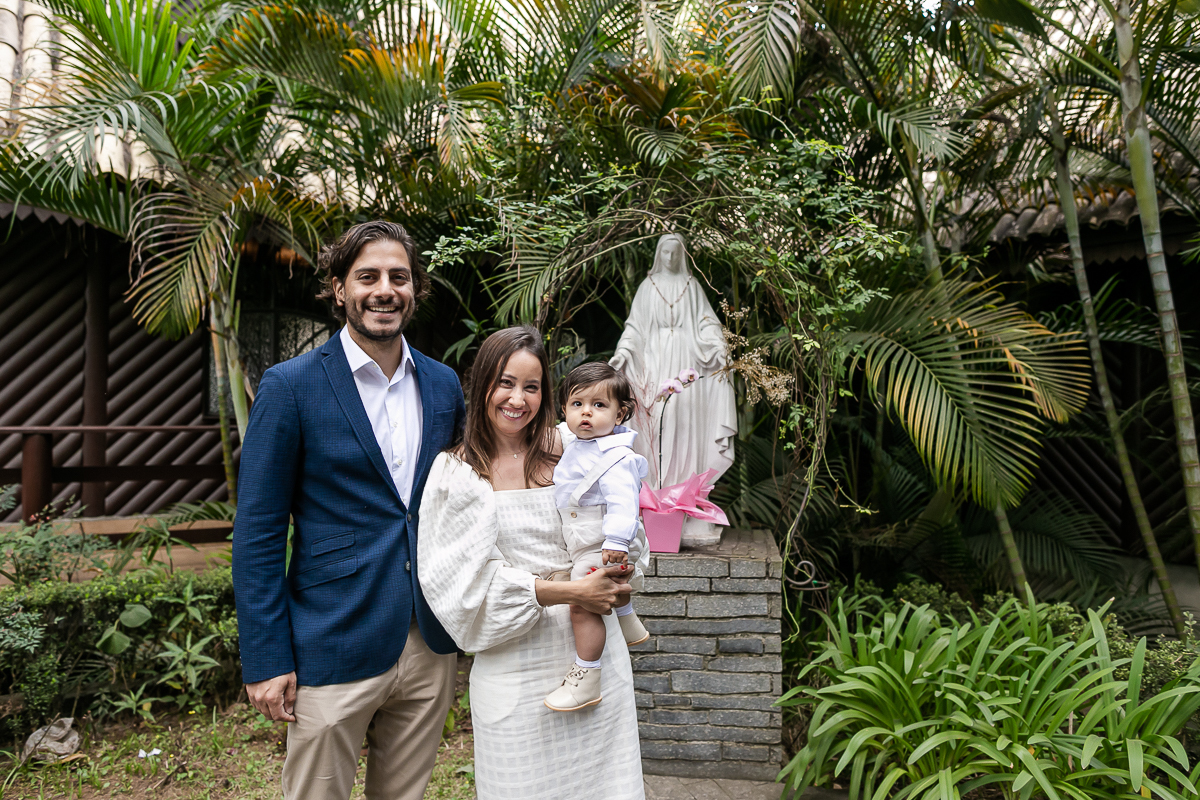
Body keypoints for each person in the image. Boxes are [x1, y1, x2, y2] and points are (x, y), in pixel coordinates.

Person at [232, 221, 465, 800]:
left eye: (399, 277)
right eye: (367, 277)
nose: (384, 290)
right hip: (330, 638)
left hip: (427, 640)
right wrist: (265, 658)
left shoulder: (443, 386)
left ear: (415, 290)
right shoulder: (289, 386)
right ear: (339, 289)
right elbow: (258, 532)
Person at [418, 327, 646, 800]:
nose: (517, 399)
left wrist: (620, 576)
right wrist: (570, 592)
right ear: (482, 384)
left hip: (595, 660)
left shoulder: (574, 447)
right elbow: (459, 585)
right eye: (505, 382)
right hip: (514, 667)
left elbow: (625, 527)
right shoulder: (455, 472)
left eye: (532, 386)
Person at [544, 361, 650, 712]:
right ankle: (630, 624)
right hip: (587, 537)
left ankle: (587, 675)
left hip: (605, 541)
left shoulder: (616, 457)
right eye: (577, 405)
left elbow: (624, 503)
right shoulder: (578, 440)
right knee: (596, 584)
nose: (586, 413)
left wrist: (617, 543)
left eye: (599, 405)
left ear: (620, 414)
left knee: (582, 600)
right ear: (564, 410)